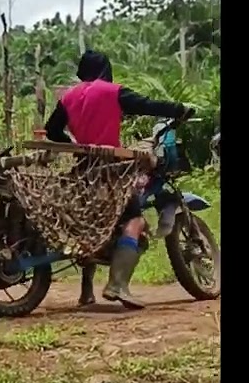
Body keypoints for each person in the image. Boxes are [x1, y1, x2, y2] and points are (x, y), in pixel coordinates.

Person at [43, 51, 190, 310]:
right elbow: (147, 105)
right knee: (134, 219)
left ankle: (86, 292)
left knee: (92, 224)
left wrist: (75, 145)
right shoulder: (112, 91)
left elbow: (52, 129)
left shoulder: (68, 96)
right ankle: (117, 285)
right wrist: (178, 109)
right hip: (112, 172)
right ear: (105, 69)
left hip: (83, 171)